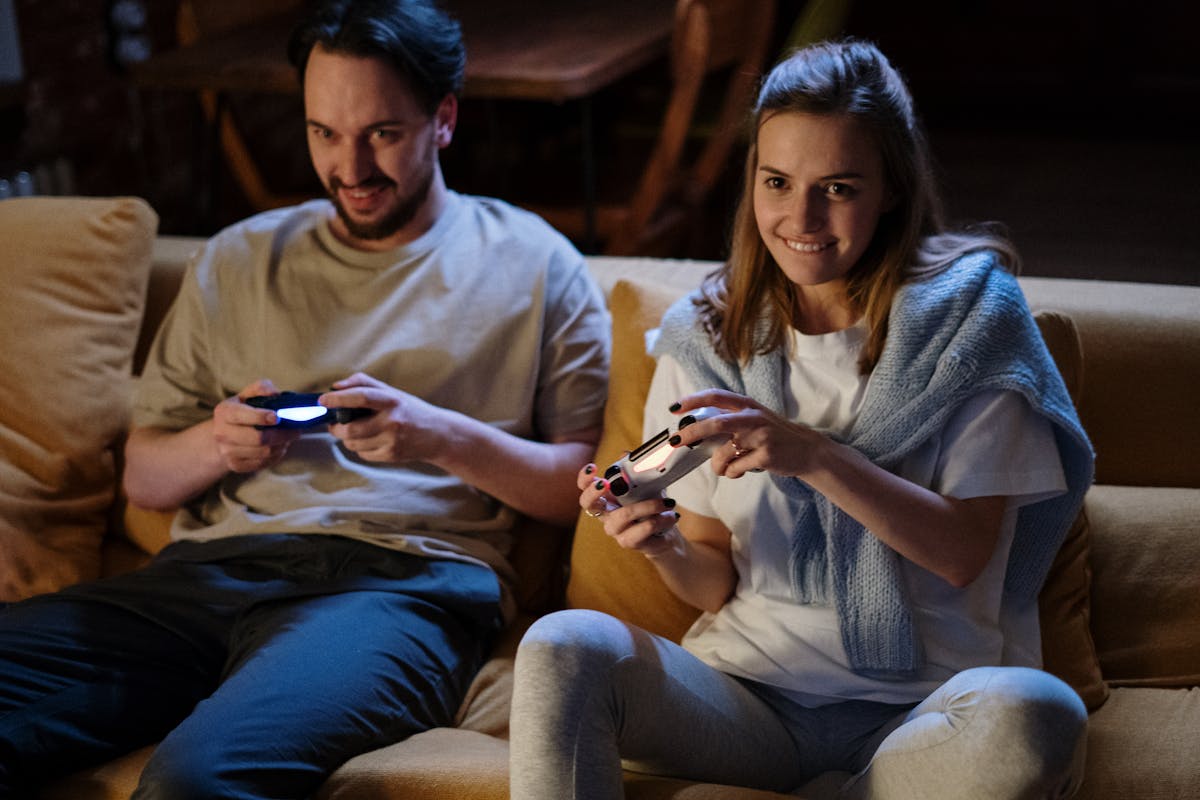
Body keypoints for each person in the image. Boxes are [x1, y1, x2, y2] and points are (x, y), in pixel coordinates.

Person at [0, 0, 609, 797]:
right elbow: (144, 479)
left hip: (398, 590)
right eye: (324, 132)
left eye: (382, 134)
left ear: (444, 119)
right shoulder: (239, 259)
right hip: (206, 576)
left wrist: (438, 437)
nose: (349, 168)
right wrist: (218, 443)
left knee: (195, 781)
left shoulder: (537, 263)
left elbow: (581, 488)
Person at [510, 39, 1094, 800]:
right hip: (748, 701)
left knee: (1040, 711)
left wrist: (813, 455)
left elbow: (962, 554)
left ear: (890, 188)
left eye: (838, 187)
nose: (801, 217)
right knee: (561, 644)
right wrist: (660, 546)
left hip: (925, 712)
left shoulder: (972, 326)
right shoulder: (708, 340)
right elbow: (713, 575)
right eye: (777, 181)